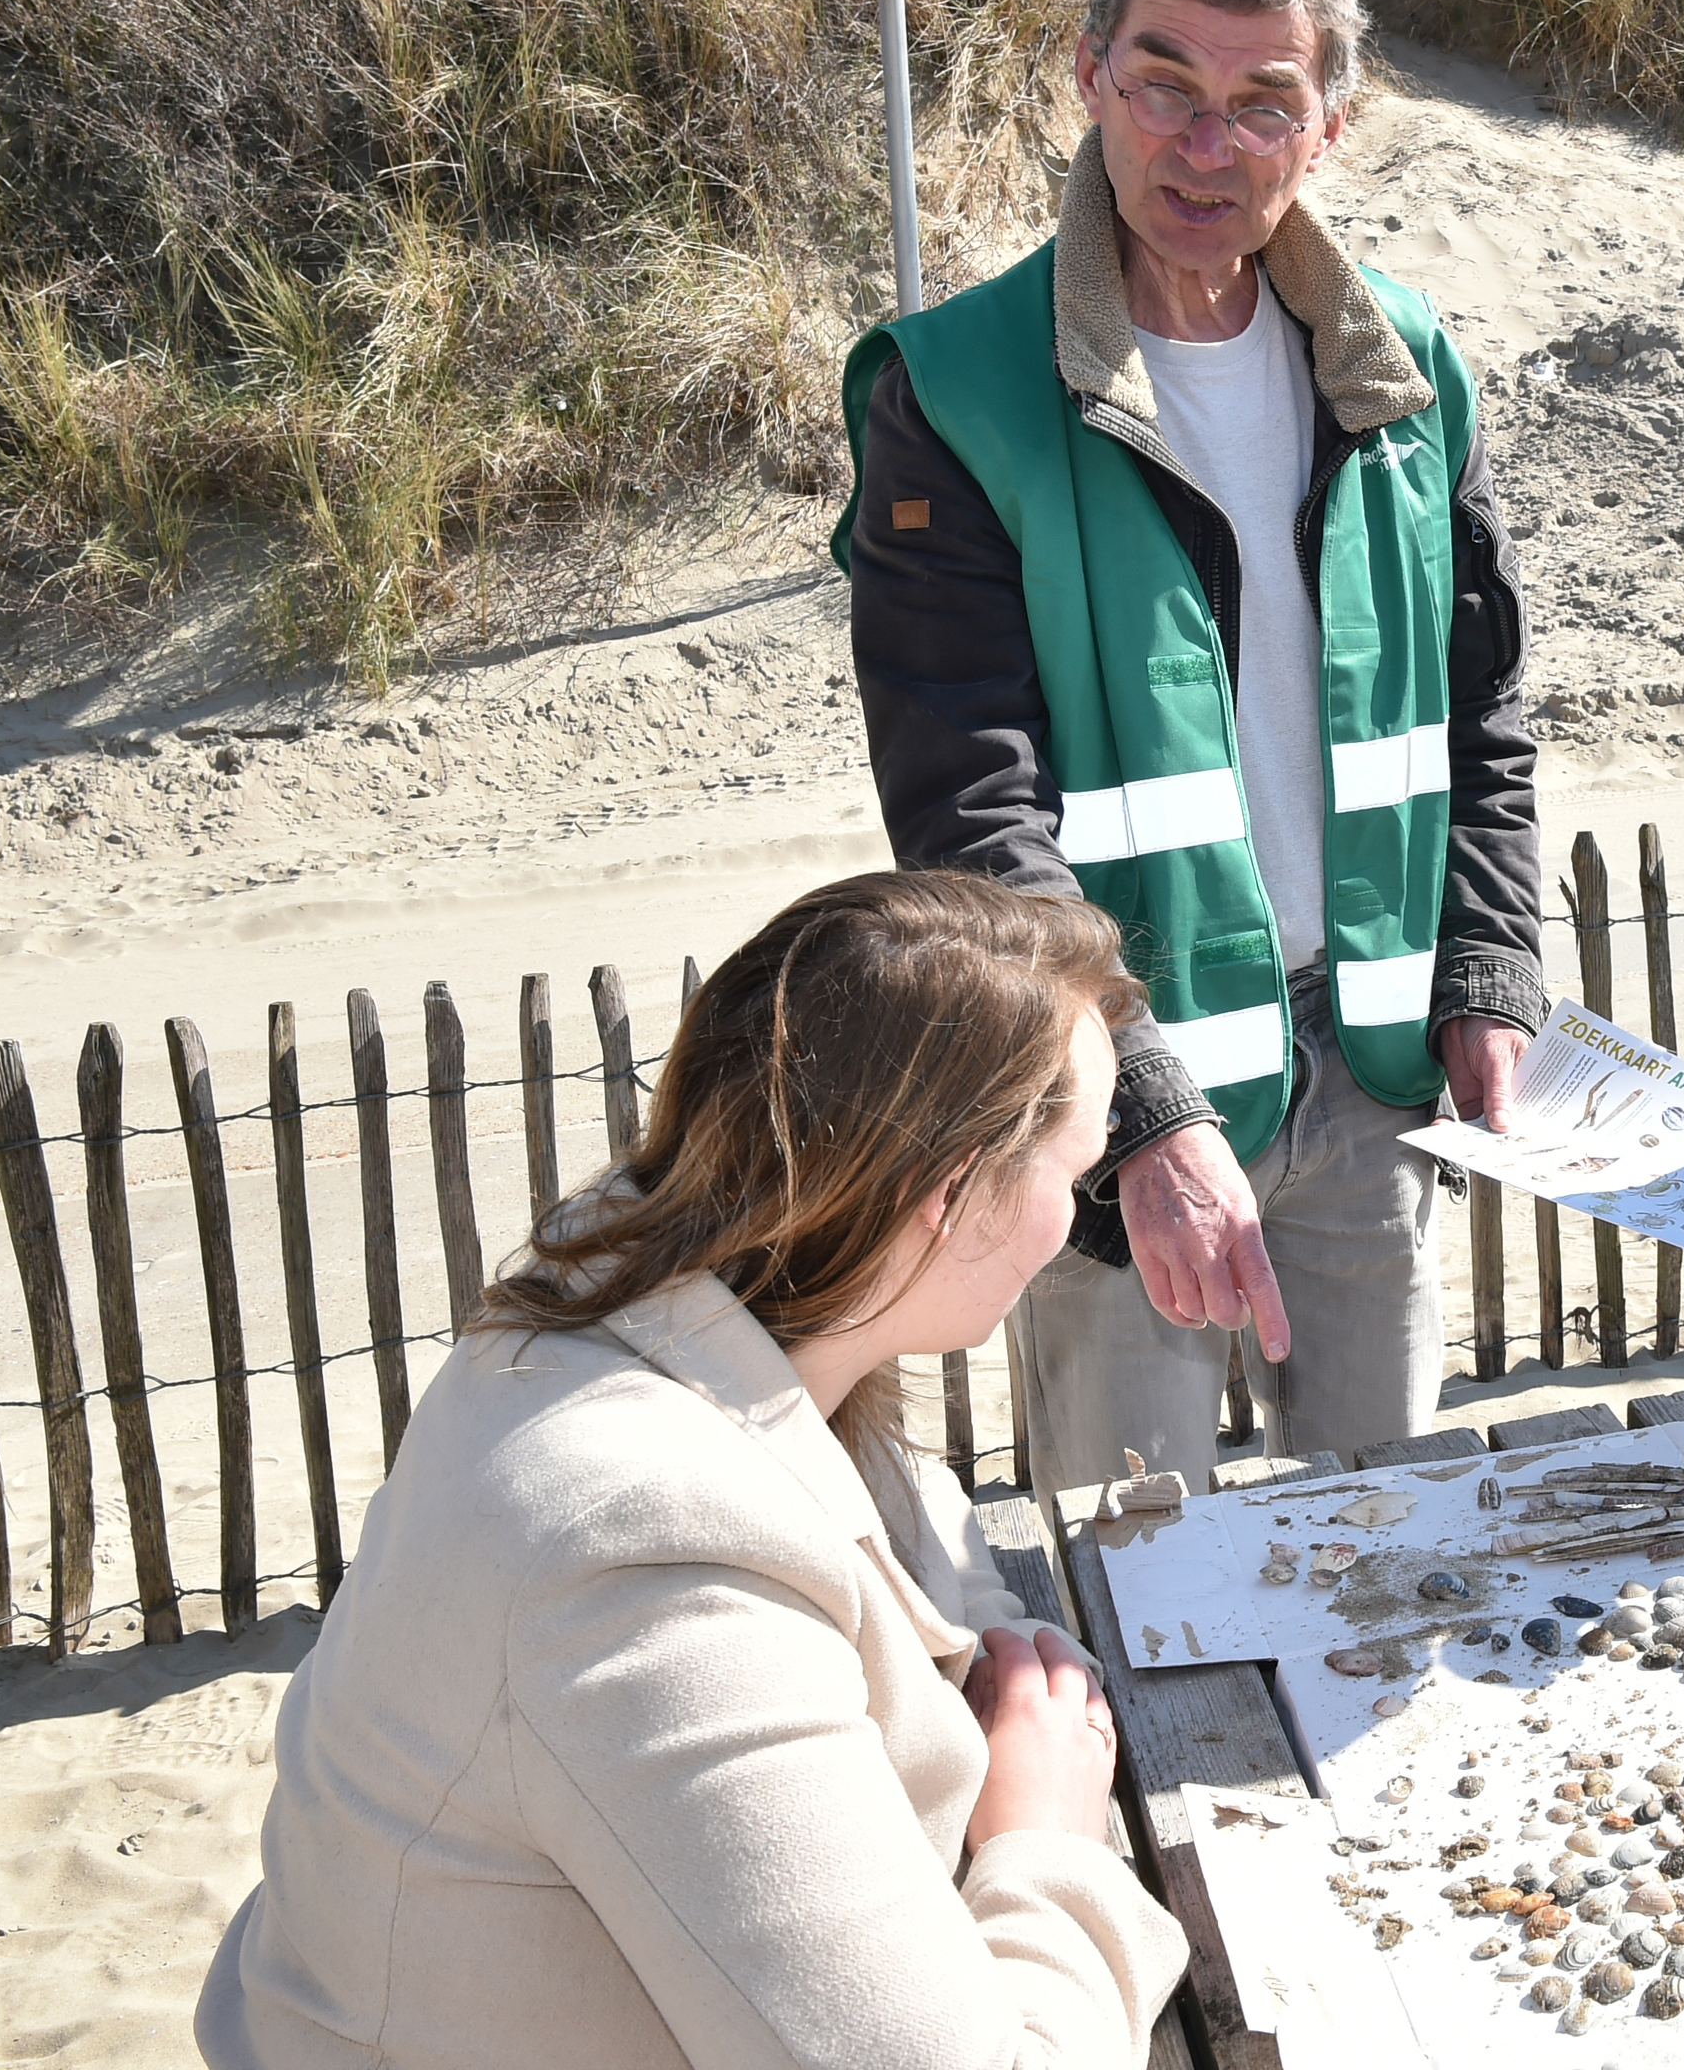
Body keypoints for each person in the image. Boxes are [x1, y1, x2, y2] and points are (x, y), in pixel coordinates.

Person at [196, 872, 1187, 2069]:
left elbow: (902, 1532)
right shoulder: (654, 1560)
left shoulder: (657, 1290)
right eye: (1071, 1182)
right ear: (948, 1196)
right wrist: (1053, 1841)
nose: (1075, 1223)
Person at [837, 0, 1547, 1492]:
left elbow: (1479, 718)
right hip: (1112, 1097)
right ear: (1088, 75)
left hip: (1365, 1066)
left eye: (1264, 102)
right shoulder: (952, 392)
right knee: (1140, 1582)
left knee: (1391, 1550)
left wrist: (1488, 962)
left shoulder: (1407, 368)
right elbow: (973, 818)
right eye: (1163, 84)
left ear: (1332, 124)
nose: (1206, 145)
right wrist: (1134, 1100)